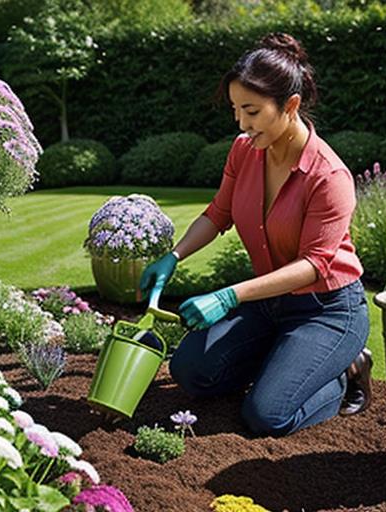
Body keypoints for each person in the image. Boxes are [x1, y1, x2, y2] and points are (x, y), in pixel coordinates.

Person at [139, 32, 372, 437]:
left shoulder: (328, 176)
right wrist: (173, 256)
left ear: (291, 105)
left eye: (252, 111)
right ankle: (285, 359)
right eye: (235, 110)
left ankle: (341, 375)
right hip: (271, 304)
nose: (241, 124)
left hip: (327, 309)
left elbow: (314, 265)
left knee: (266, 415)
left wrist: (229, 295)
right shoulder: (244, 151)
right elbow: (219, 213)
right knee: (191, 372)